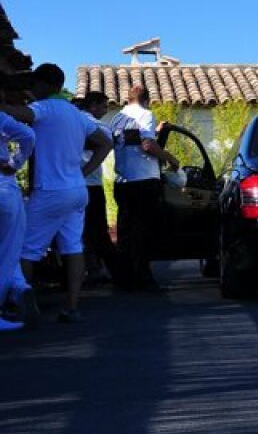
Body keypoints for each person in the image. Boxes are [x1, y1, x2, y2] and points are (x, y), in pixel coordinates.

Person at [1, 63, 111, 323]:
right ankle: (72, 306)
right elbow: (105, 143)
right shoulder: (77, 114)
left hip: (49, 191)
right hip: (77, 190)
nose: (31, 88)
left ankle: (22, 302)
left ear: (45, 85)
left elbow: (13, 114)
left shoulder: (43, 108)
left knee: (23, 248)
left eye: (34, 84)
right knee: (73, 247)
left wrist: (8, 102)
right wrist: (84, 172)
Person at [109, 84, 179, 291]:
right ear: (147, 100)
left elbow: (132, 140)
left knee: (125, 230)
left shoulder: (116, 119)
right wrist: (171, 159)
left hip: (122, 181)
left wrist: (155, 134)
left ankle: (125, 277)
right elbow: (146, 145)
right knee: (144, 230)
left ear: (128, 99)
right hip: (144, 181)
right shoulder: (146, 114)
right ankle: (143, 278)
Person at [0, 104, 35, 330]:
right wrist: (14, 163)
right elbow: (28, 135)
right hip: (3, 186)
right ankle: (16, 289)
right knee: (8, 250)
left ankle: (19, 287)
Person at [76, 92, 117, 284]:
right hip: (90, 183)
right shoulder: (95, 125)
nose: (105, 110)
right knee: (98, 230)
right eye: (103, 106)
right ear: (92, 105)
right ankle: (110, 270)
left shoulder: (73, 122)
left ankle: (90, 268)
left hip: (75, 183)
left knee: (79, 231)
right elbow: (109, 139)